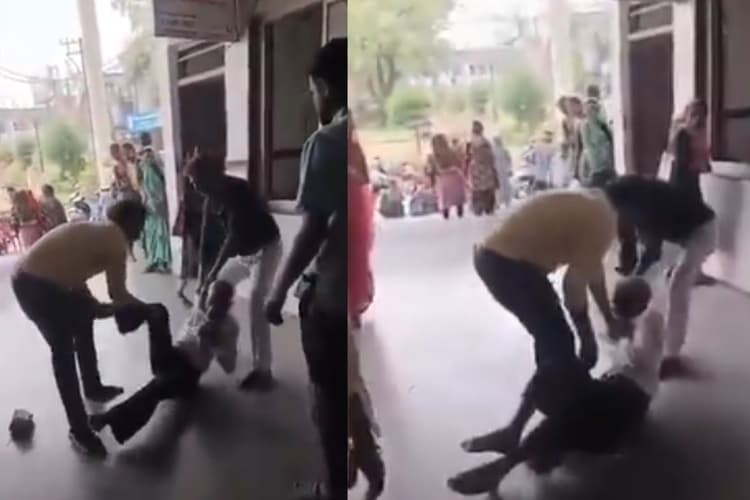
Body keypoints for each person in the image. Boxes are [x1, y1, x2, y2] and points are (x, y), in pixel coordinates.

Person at [450, 277, 664, 496]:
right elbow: (602, 358)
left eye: (622, 303)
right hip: (610, 391)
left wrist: (625, 334)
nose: (615, 308)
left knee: (581, 406)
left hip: (630, 403)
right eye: (615, 303)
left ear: (641, 302)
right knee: (553, 371)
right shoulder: (624, 325)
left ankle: (510, 462)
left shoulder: (650, 320)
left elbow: (643, 359)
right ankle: (513, 432)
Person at [463, 190, 626, 459]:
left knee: (554, 347)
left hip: (497, 258)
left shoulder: (595, 208)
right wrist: (587, 336)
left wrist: (608, 319)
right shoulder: (604, 224)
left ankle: (548, 418)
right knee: (559, 348)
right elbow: (573, 285)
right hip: (507, 265)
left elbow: (592, 271)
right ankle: (523, 430)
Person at [264, 37, 347, 500]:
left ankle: (334, 488)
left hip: (330, 294)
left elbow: (312, 230)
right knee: (352, 383)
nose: (313, 100)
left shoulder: (327, 142)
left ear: (324, 87)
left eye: (313, 91)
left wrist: (276, 293)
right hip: (361, 293)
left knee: (328, 395)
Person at [11, 199, 149, 457]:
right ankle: (79, 431)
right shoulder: (116, 240)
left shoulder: (98, 229)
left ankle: (93, 387)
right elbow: (118, 294)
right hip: (35, 287)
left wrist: (94, 306)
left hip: (29, 277)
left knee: (84, 319)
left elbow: (72, 271)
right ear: (130, 221)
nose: (141, 231)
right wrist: (148, 309)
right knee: (63, 352)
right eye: (141, 224)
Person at [90, 278, 239, 444]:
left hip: (189, 373)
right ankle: (126, 322)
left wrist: (214, 344)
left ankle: (108, 418)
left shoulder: (230, 327)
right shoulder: (200, 310)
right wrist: (198, 332)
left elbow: (230, 367)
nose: (210, 309)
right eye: (209, 302)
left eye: (217, 306)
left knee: (158, 385)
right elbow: (183, 337)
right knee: (158, 310)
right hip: (172, 356)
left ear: (228, 305)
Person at [187, 152, 282, 392]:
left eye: (196, 181)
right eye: (192, 183)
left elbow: (232, 239)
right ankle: (220, 337)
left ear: (211, 176)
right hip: (245, 253)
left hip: (266, 247)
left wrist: (210, 274)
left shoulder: (239, 191)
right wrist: (205, 280)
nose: (195, 187)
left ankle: (263, 371)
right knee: (218, 287)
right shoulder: (211, 198)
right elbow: (207, 242)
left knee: (257, 300)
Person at [605, 175, 716, 378]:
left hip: (702, 231)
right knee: (661, 283)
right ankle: (644, 339)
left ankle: (672, 358)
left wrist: (633, 280)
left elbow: (652, 252)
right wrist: (635, 278)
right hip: (680, 235)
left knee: (678, 287)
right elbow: (650, 250)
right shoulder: (642, 200)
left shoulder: (647, 208)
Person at [348, 118, 376, 329]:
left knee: (356, 256)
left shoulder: (353, 149)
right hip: (349, 205)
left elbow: (365, 178)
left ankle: (355, 307)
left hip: (355, 206)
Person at [139, 140, 172, 273]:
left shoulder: (150, 170)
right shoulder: (148, 169)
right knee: (153, 234)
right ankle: (155, 260)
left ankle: (161, 261)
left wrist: (153, 202)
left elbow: (156, 191)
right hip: (152, 207)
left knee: (159, 234)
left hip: (155, 207)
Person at [427, 134, 466, 219]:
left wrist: (432, 184)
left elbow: (431, 171)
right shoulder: (453, 152)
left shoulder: (432, 156)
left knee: (444, 201)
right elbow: (460, 164)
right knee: (458, 199)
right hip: (455, 177)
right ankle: (460, 213)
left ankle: (446, 215)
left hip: (443, 180)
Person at [581, 98, 616, 188]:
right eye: (589, 110)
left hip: (609, 165)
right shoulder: (586, 126)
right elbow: (588, 146)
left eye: (594, 109)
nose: (592, 112)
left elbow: (611, 141)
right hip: (596, 166)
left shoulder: (603, 125)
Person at [468, 120, 498, 216]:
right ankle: (487, 207)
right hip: (485, 168)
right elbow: (491, 157)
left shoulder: (471, 142)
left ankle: (479, 208)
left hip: (477, 168)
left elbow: (468, 157)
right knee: (487, 189)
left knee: (478, 190)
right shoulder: (485, 142)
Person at [491, 136, 513, 209]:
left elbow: (509, 160)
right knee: (504, 185)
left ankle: (498, 203)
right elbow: (509, 160)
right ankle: (505, 201)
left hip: (498, 171)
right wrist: (509, 168)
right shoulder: (504, 150)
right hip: (502, 170)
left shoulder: (493, 151)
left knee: (498, 187)